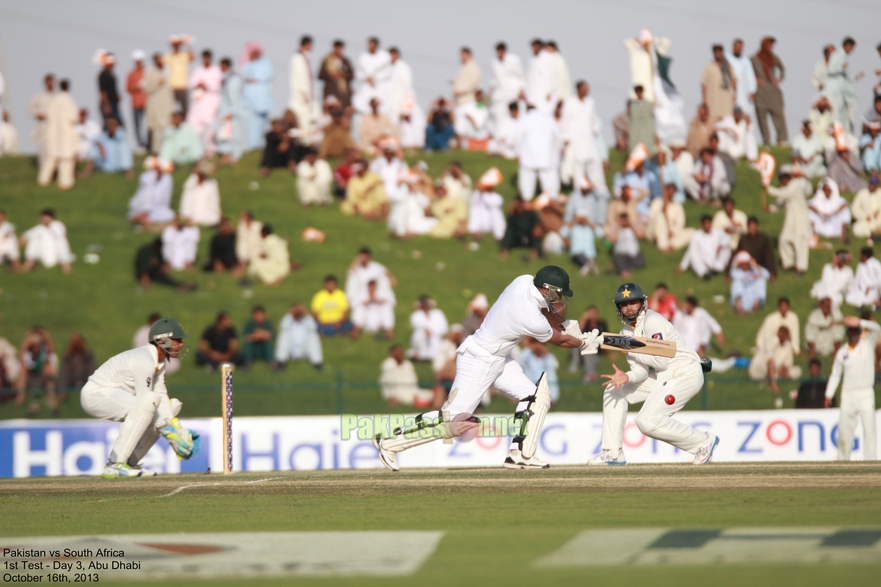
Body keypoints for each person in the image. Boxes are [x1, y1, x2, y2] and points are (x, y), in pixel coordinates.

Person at [375, 266, 591, 471]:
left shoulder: (523, 280)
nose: (560, 299)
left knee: (535, 397)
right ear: (547, 289)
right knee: (451, 421)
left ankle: (520, 454)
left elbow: (547, 313)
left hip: (496, 358)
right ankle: (390, 442)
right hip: (480, 361)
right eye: (558, 294)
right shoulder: (529, 316)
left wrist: (569, 326)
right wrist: (585, 343)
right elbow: (560, 341)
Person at [588, 283, 718, 466]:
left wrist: (628, 348)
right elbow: (641, 370)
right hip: (663, 376)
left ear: (643, 302)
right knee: (614, 390)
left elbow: (661, 360)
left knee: (646, 422)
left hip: (684, 372)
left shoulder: (653, 321)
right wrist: (628, 377)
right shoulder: (625, 333)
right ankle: (613, 453)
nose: (629, 307)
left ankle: (702, 442)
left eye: (633, 302)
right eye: (624, 304)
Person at [80, 317, 195, 477]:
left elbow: (161, 398)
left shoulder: (159, 363)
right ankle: (114, 465)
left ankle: (129, 463)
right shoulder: (145, 360)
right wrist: (172, 435)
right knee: (150, 404)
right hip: (96, 394)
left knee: (170, 406)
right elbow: (146, 399)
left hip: (113, 394)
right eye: (177, 340)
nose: (181, 344)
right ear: (162, 341)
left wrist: (178, 431)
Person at [825, 316, 879, 460]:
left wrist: (860, 322)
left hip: (866, 393)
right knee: (845, 432)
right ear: (847, 333)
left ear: (860, 332)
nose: (854, 334)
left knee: (870, 431)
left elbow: (877, 329)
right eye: (851, 331)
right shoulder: (842, 352)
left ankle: (870, 464)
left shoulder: (867, 344)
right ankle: (843, 463)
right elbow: (835, 374)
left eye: (856, 331)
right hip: (848, 394)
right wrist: (829, 394)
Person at [766, 165, 811, 275]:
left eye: (784, 181)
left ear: (788, 179)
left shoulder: (795, 187)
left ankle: (801, 268)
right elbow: (780, 202)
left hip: (800, 219)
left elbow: (781, 194)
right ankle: (788, 263)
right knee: (784, 239)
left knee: (799, 242)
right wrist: (770, 208)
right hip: (790, 219)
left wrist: (767, 187)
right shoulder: (786, 189)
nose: (783, 183)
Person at [37, 79, 78, 190]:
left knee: (51, 158)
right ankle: (65, 182)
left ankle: (44, 179)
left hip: (53, 133)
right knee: (66, 159)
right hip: (65, 133)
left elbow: (47, 115)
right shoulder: (69, 100)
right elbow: (74, 118)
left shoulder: (54, 100)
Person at [517, 105, 561, 200]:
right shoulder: (548, 118)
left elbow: (517, 137)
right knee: (550, 191)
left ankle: (526, 204)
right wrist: (556, 152)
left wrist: (518, 152)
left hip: (528, 158)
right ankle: (550, 203)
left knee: (526, 191)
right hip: (546, 158)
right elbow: (558, 136)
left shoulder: (525, 119)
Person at [750, 37, 787, 145]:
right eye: (769, 45)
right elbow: (746, 73)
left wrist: (780, 78)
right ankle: (766, 141)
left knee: (778, 114)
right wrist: (754, 79)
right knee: (762, 118)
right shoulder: (754, 59)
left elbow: (782, 68)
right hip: (760, 92)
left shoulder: (774, 58)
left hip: (772, 90)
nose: (771, 47)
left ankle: (781, 139)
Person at [15, 328, 59, 417]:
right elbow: (22, 366)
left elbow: (51, 368)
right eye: (33, 345)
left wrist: (45, 337)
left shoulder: (46, 352)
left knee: (47, 371)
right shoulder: (27, 354)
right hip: (32, 378)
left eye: (37, 345)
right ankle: (23, 397)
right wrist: (26, 344)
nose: (35, 347)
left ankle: (51, 399)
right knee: (23, 373)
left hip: (43, 378)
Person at [241, 42, 274, 151]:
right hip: (251, 101)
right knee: (252, 125)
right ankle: (253, 145)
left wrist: (257, 79)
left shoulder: (266, 63)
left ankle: (262, 145)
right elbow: (245, 75)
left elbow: (269, 75)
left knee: (263, 125)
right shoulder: (247, 64)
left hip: (263, 100)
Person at [188, 49, 222, 153]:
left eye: (207, 58)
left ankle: (211, 149)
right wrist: (198, 85)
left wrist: (208, 86)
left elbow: (219, 86)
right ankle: (194, 150)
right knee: (195, 126)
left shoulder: (216, 70)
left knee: (211, 126)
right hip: (199, 101)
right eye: (204, 58)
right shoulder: (198, 70)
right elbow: (191, 83)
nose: (205, 60)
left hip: (212, 100)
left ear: (210, 58)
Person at [19, 209, 74, 274]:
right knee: (34, 240)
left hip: (55, 255)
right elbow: (26, 235)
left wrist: (49, 225)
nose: (43, 219)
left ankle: (65, 264)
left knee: (61, 241)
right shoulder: (40, 228)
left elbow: (59, 235)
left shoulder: (57, 225)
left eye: (45, 217)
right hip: (44, 255)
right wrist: (23, 239)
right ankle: (29, 264)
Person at [748, 326, 800, 393]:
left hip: (776, 370)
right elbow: (769, 359)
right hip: (761, 367)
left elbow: (788, 363)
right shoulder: (773, 340)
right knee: (770, 362)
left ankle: (772, 379)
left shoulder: (787, 345)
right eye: (781, 333)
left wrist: (783, 369)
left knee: (797, 370)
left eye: (784, 334)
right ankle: (772, 384)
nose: (782, 336)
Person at [274, 304, 323, 371]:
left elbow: (313, 327)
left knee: (313, 335)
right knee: (284, 333)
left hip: (304, 350)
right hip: (291, 350)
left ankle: (317, 363)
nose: (298, 312)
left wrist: (305, 313)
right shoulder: (289, 321)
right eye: (296, 310)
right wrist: (291, 314)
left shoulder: (307, 320)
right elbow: (283, 325)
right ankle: (280, 362)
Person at [825, 38, 859, 135]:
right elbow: (830, 70)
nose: (852, 50)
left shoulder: (843, 57)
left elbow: (846, 75)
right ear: (847, 46)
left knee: (844, 113)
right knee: (836, 113)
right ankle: (836, 133)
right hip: (834, 90)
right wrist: (841, 68)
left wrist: (855, 77)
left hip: (842, 91)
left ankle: (844, 134)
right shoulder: (836, 55)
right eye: (852, 48)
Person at [646, 182, 691, 253]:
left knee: (692, 233)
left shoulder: (678, 206)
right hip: (654, 231)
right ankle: (662, 246)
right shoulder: (657, 202)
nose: (670, 192)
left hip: (671, 232)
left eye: (672, 190)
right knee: (660, 216)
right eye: (668, 189)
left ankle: (673, 245)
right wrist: (662, 209)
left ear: (675, 192)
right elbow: (651, 218)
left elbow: (680, 222)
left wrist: (673, 231)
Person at [352, 37, 392, 115]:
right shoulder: (363, 57)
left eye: (371, 44)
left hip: (380, 86)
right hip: (366, 87)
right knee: (364, 107)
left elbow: (388, 72)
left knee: (382, 108)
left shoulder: (384, 56)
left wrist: (374, 79)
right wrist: (366, 78)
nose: (369, 46)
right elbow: (358, 73)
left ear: (376, 45)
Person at [216, 57, 245, 164]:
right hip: (225, 110)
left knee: (235, 134)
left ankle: (236, 155)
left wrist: (232, 112)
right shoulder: (226, 78)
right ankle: (226, 154)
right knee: (224, 134)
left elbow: (234, 97)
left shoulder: (233, 79)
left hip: (232, 111)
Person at [489, 42, 525, 127]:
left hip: (514, 93)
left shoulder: (514, 59)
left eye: (501, 52)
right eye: (498, 52)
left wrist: (521, 91)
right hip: (501, 94)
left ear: (505, 51)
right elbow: (494, 81)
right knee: (499, 116)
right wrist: (489, 96)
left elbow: (521, 76)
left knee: (515, 118)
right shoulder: (495, 63)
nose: (499, 54)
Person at [145, 53, 174, 154]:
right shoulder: (151, 73)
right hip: (156, 106)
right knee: (157, 129)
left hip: (166, 105)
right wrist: (157, 84)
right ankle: (156, 150)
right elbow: (147, 88)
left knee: (168, 128)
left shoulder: (166, 73)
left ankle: (169, 151)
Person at [518, 338, 561, 406]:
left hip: (546, 393)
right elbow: (521, 361)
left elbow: (554, 366)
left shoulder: (549, 357)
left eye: (540, 344)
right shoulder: (529, 358)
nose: (538, 346)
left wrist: (546, 353)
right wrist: (529, 349)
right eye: (535, 343)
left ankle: (553, 398)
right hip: (532, 393)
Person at [179, 160, 221, 226]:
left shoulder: (212, 183)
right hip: (192, 213)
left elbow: (214, 201)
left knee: (214, 218)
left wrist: (216, 212)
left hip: (207, 213)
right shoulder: (190, 183)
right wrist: (188, 214)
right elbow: (186, 201)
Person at [702, 44, 737, 123]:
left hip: (726, 100)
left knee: (727, 121)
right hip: (713, 100)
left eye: (719, 52)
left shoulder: (728, 66)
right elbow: (704, 83)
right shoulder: (709, 66)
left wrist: (735, 94)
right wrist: (704, 99)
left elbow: (734, 80)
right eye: (716, 52)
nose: (717, 54)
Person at [409, 295, 449, 362]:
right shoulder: (416, 315)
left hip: (435, 337)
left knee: (436, 349)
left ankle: (425, 356)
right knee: (420, 334)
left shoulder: (438, 313)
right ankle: (421, 354)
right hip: (420, 338)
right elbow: (417, 325)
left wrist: (433, 332)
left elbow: (444, 328)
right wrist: (425, 330)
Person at [58, 333, 96, 401]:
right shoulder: (68, 357)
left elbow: (92, 371)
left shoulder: (87, 357)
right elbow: (65, 374)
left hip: (86, 382)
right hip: (72, 383)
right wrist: (62, 390)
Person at [288, 36, 314, 133]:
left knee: (308, 119)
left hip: (307, 95)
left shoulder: (305, 57)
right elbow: (300, 76)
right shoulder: (297, 58)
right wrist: (303, 93)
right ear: (307, 44)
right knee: (300, 117)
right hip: (300, 94)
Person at [318, 40, 354, 109]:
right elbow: (320, 75)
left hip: (344, 93)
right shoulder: (327, 60)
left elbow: (351, 75)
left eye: (340, 48)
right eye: (337, 48)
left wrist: (342, 75)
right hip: (331, 91)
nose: (339, 50)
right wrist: (331, 75)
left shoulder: (345, 61)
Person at [608, 212, 645, 278]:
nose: (624, 220)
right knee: (619, 259)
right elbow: (612, 240)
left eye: (625, 218)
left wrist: (631, 224)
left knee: (640, 264)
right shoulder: (615, 228)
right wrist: (618, 226)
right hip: (621, 254)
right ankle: (624, 272)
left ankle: (618, 265)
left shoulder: (634, 226)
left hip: (633, 254)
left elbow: (641, 236)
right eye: (622, 219)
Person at [805, 296, 844, 360]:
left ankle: (835, 351)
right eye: (824, 304)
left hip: (830, 342)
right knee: (810, 327)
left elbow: (839, 319)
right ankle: (812, 352)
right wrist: (829, 324)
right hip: (817, 341)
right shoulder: (815, 313)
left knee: (838, 327)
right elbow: (812, 321)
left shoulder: (833, 314)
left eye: (828, 305)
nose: (826, 307)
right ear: (821, 306)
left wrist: (833, 307)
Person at [525, 39, 557, 114]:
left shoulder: (549, 58)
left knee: (544, 112)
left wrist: (550, 91)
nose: (534, 49)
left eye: (536, 46)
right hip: (533, 93)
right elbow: (528, 77)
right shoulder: (531, 60)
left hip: (545, 92)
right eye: (533, 47)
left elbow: (553, 75)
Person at [29, 74, 55, 167]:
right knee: (43, 148)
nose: (51, 84)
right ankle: (44, 169)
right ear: (45, 83)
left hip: (53, 126)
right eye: (49, 81)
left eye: (52, 81)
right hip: (42, 126)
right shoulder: (39, 96)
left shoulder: (56, 96)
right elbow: (31, 109)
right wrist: (38, 114)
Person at [165, 35, 194, 115]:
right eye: (174, 45)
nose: (176, 46)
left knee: (185, 110)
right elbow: (160, 63)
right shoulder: (168, 56)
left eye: (177, 44)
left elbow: (193, 57)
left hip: (183, 86)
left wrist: (186, 43)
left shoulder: (184, 55)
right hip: (171, 87)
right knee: (170, 110)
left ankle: (185, 126)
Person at [726, 38, 757, 114]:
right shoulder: (726, 58)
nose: (738, 48)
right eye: (736, 46)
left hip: (742, 91)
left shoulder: (746, 61)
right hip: (729, 88)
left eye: (740, 46)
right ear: (733, 46)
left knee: (743, 110)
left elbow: (750, 77)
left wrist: (752, 91)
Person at [126, 50, 148, 148]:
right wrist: (135, 86)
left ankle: (149, 144)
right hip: (136, 103)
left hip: (147, 103)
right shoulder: (131, 74)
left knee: (148, 125)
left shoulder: (148, 72)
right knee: (137, 126)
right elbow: (128, 88)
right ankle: (141, 144)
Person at [627, 85, 655, 152]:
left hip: (647, 134)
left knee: (648, 151)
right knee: (635, 152)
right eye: (637, 92)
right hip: (636, 134)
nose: (639, 94)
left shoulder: (649, 104)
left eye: (640, 92)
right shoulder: (632, 105)